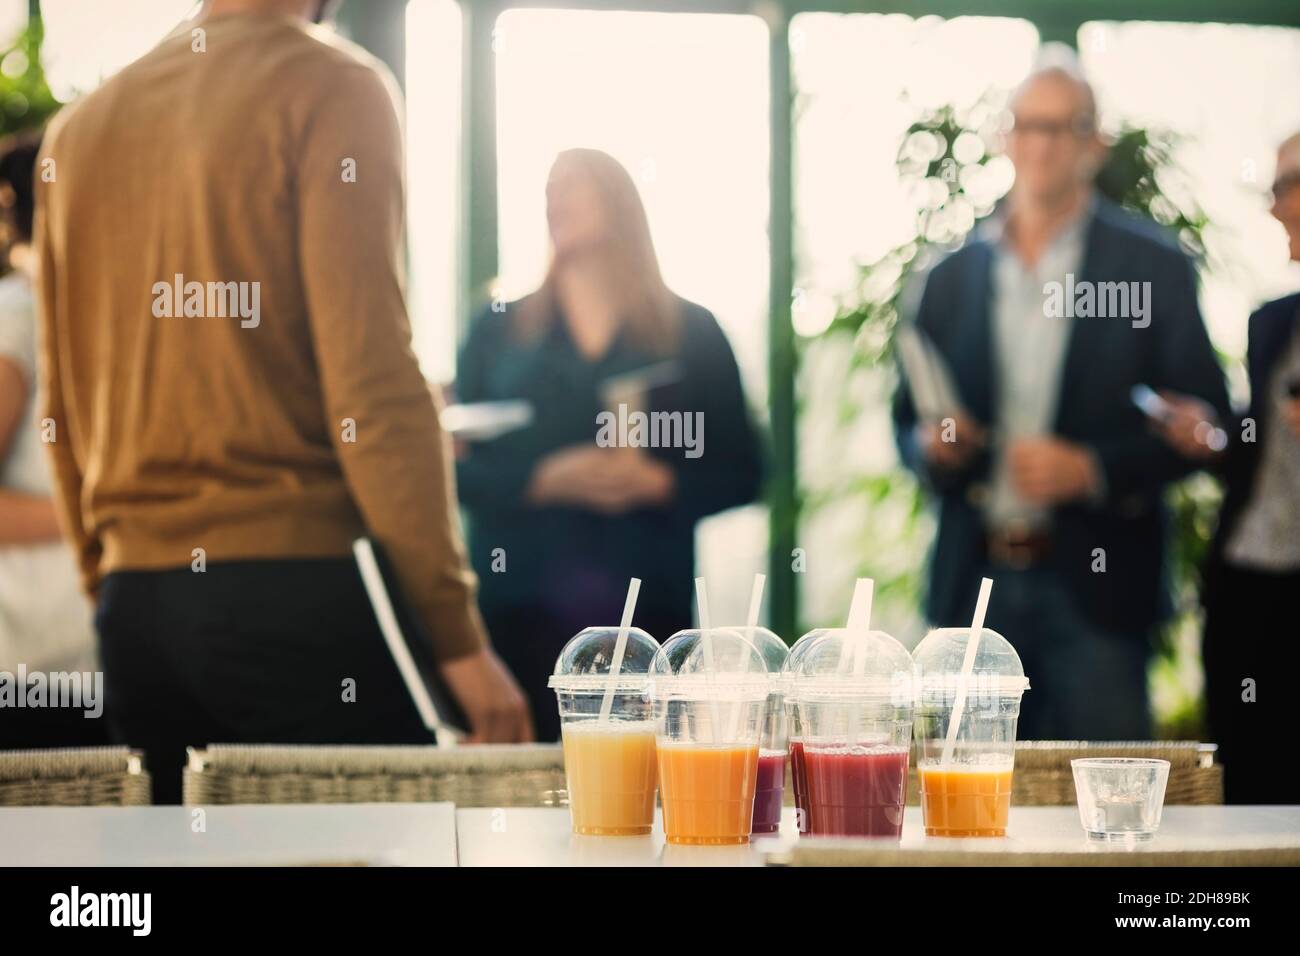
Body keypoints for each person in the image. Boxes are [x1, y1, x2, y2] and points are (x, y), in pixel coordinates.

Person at [34, 0, 530, 802]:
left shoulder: (80, 131)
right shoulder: (332, 84)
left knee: (178, 869)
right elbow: (372, 384)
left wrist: (110, 587)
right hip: (295, 595)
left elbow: (63, 415)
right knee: (379, 845)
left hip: (137, 611)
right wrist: (458, 640)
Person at [892, 53, 1230, 741]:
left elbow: (1204, 422)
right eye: (1027, 125)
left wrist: (1093, 469)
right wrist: (938, 444)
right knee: (968, 793)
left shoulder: (1152, 266)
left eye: (1060, 127)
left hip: (1100, 593)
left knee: (1106, 794)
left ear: (1092, 143)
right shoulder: (949, 275)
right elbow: (907, 421)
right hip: (974, 586)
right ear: (1005, 137)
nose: (1040, 144)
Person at [454, 148, 763, 741]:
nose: (555, 198)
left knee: (647, 784)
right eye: (549, 187)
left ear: (619, 201)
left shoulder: (693, 333)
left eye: (573, 184)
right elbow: (453, 468)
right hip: (518, 614)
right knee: (520, 787)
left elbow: (744, 469)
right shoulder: (495, 332)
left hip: (649, 619)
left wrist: (660, 482)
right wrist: (542, 480)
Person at [1153, 132, 1300, 804]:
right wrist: (1213, 438)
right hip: (1249, 585)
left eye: (1289, 185)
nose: (1276, 207)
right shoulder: (1273, 323)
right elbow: (1257, 449)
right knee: (1248, 778)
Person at [0, 131, 102, 748]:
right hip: (28, 670)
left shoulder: (87, 313)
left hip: (92, 660)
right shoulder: (15, 317)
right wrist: (102, 513)